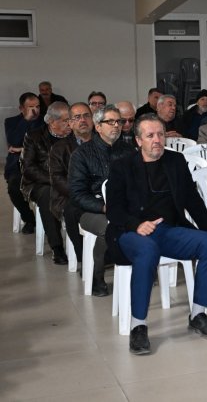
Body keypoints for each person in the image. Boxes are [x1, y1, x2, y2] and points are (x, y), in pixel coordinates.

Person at [106, 114, 207, 355]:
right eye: (150, 136)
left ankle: (198, 314)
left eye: (160, 134)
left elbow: (193, 201)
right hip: (130, 233)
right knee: (148, 250)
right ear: (138, 141)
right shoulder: (122, 166)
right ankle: (138, 326)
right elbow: (113, 209)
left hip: (168, 231)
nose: (157, 140)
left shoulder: (175, 161)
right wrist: (136, 225)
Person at [69, 105, 136, 296]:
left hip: (125, 206)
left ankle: (142, 266)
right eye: (110, 122)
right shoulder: (81, 154)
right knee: (110, 226)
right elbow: (77, 194)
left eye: (119, 122)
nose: (116, 126)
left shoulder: (129, 151)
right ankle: (96, 277)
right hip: (93, 209)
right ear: (98, 127)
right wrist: (104, 207)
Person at [21, 101, 71, 264]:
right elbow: (29, 168)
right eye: (65, 120)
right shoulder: (34, 137)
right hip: (42, 182)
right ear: (51, 121)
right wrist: (55, 180)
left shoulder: (74, 136)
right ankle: (57, 247)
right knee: (49, 196)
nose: (70, 124)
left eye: (70, 119)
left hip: (69, 180)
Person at [48, 102, 93, 275]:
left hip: (100, 195)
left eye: (86, 116)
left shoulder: (103, 143)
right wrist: (82, 194)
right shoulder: (59, 148)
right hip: (70, 196)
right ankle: (85, 259)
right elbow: (57, 179)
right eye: (77, 117)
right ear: (70, 123)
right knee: (72, 211)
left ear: (93, 120)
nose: (83, 120)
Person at [4, 92, 43, 234]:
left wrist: (21, 149)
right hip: (18, 166)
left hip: (41, 164)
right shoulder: (11, 122)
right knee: (14, 188)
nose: (35, 110)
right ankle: (29, 219)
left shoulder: (45, 121)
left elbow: (43, 146)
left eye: (37, 106)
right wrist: (26, 120)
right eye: (31, 107)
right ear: (21, 108)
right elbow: (13, 141)